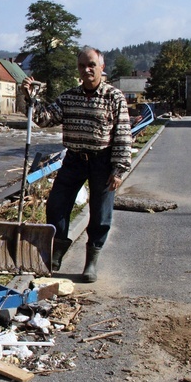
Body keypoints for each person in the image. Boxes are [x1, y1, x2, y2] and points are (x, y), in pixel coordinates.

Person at [22, 46, 131, 283]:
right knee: (56, 206)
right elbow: (44, 118)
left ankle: (91, 260)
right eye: (82, 66)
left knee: (101, 213)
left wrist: (119, 168)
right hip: (73, 159)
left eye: (91, 64)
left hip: (103, 160)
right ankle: (58, 251)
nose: (87, 69)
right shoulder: (69, 97)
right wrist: (31, 98)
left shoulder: (114, 97)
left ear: (102, 67)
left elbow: (123, 134)